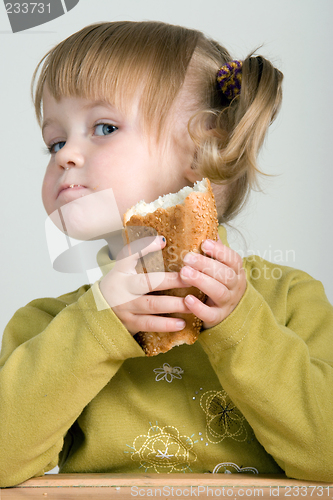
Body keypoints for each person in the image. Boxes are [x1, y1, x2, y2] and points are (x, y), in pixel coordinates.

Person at [0, 21, 332, 488]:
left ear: (202, 149)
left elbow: (326, 456)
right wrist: (97, 327)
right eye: (55, 140)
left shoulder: (289, 301)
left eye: (103, 127)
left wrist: (240, 326)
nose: (65, 155)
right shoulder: (48, 326)